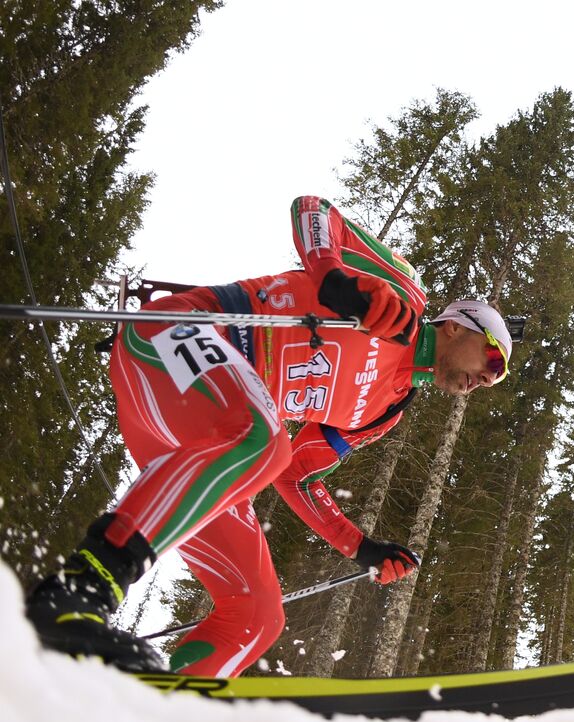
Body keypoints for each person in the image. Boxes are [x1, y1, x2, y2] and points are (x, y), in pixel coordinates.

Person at [25, 195, 515, 676]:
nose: (485, 380)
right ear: (456, 326)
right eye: (491, 359)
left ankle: (156, 706)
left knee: (258, 616)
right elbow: (313, 210)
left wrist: (359, 547)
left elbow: (296, 476)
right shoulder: (404, 292)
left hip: (187, 439)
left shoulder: (384, 411)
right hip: (177, 334)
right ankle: (80, 591)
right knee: (263, 436)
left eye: (496, 379)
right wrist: (332, 276)